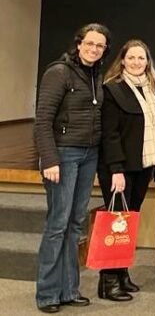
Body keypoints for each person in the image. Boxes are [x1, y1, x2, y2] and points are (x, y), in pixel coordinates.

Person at [33, 23, 111, 313]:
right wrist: (49, 159)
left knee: (76, 224)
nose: (94, 49)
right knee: (58, 225)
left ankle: (69, 289)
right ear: (79, 44)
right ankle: (48, 294)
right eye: (89, 43)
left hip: (88, 154)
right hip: (63, 156)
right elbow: (42, 120)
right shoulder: (59, 72)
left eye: (100, 45)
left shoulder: (95, 75)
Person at [98, 39, 155, 301]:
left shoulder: (148, 89)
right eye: (132, 58)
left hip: (142, 166)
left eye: (142, 58)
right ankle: (108, 281)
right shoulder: (113, 90)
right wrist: (116, 169)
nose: (137, 62)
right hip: (119, 169)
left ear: (147, 62)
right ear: (123, 60)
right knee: (115, 225)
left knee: (128, 223)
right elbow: (110, 135)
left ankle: (121, 273)